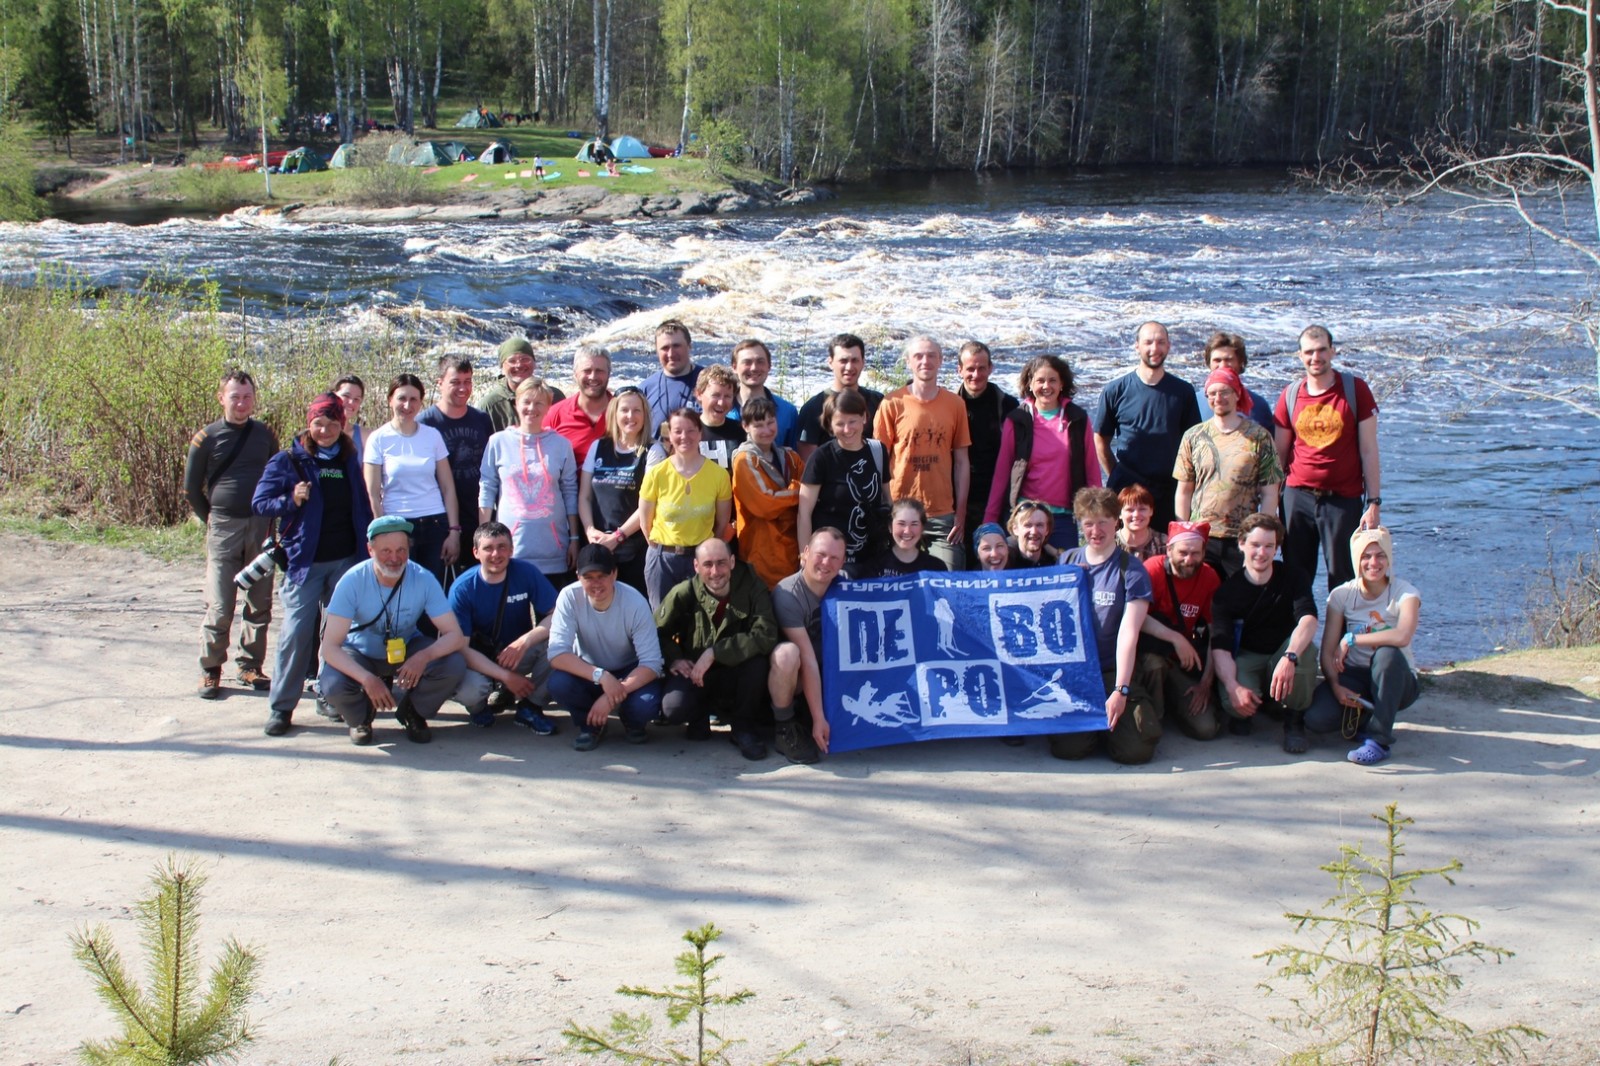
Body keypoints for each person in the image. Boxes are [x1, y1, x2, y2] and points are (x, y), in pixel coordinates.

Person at [251, 392, 372, 736]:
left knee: (341, 635)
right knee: (296, 634)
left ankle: (331, 696)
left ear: (342, 425)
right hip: (304, 563)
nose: (325, 430)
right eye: (319, 423)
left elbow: (361, 505)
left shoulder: (349, 458)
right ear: (309, 423)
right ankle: (281, 707)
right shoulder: (289, 460)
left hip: (345, 560)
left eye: (333, 423)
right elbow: (260, 503)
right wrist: (291, 498)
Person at [318, 516, 468, 745]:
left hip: (407, 646)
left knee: (453, 664)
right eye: (385, 551)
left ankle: (413, 712)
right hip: (360, 652)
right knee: (332, 684)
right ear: (370, 549)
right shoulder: (351, 581)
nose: (395, 558)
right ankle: (361, 717)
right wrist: (367, 679)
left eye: (401, 550)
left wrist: (424, 656)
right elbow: (329, 648)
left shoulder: (423, 578)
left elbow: (454, 635)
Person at [185, 369, 280, 700]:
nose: (242, 403)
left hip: (260, 525)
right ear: (221, 397)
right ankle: (210, 669)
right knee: (221, 604)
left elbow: (275, 476)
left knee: (259, 603)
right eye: (235, 396)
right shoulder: (207, 437)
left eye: (247, 396)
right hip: (224, 526)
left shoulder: (265, 435)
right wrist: (211, 518)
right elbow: (191, 488)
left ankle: (250, 666)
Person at [1048, 488, 1159, 764]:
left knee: (1136, 752)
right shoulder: (1067, 561)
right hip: (1076, 671)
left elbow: (1129, 634)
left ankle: (1119, 715)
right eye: (1088, 523)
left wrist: (1120, 690)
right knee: (1068, 750)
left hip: (1111, 670)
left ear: (1115, 523)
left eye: (1103, 522)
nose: (1095, 530)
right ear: (1079, 524)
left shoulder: (1131, 570)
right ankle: (1096, 726)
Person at [1274, 325, 1382, 593]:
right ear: (1300, 355)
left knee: (1344, 577)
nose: (1316, 357)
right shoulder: (1290, 395)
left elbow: (1369, 449)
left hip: (1343, 499)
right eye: (1309, 352)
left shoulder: (1355, 390)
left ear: (1333, 351)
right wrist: (1271, 504)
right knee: (1296, 576)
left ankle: (1344, 635)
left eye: (1322, 350)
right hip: (1297, 497)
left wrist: (1374, 502)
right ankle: (1299, 634)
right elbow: (1279, 454)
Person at [654, 538, 779, 759]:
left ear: (732, 562)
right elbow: (655, 633)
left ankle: (743, 727)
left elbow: (766, 634)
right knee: (673, 708)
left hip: (735, 672)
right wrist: (674, 658)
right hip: (696, 674)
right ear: (696, 566)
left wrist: (716, 652)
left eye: (721, 563)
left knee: (757, 663)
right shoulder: (684, 592)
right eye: (707, 564)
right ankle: (699, 715)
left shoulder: (753, 586)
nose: (715, 571)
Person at [1306, 527, 1421, 765]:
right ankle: (1368, 716)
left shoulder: (1406, 593)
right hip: (1355, 677)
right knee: (1316, 719)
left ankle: (1379, 740)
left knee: (1387, 653)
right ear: (1356, 561)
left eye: (1380, 555)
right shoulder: (1342, 595)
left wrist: (1352, 639)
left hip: (1397, 678)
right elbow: (1328, 652)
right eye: (1366, 557)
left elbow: (1402, 636)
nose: (1373, 563)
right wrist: (1336, 686)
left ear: (1389, 559)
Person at [1209, 513, 1319, 753]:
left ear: (1277, 548)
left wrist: (1290, 657)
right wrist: (1232, 686)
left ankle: (1294, 721)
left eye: (1269, 546)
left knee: (1305, 650)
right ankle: (1259, 705)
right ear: (1241, 545)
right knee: (1233, 703)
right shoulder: (1227, 592)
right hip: (1249, 655)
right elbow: (1220, 646)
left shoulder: (1293, 576)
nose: (1262, 553)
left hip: (1283, 651)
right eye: (1255, 545)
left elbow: (1309, 620)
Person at [546, 544, 664, 751]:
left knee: (646, 703)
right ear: (578, 577)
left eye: (602, 575)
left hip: (629, 669)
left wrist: (611, 696)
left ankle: (631, 720)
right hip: (589, 670)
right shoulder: (568, 597)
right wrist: (601, 676)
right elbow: (557, 654)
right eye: (588, 577)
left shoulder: (635, 602)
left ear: (615, 574)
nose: (596, 583)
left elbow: (652, 663)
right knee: (559, 683)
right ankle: (590, 725)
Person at [1173, 364, 1283, 580]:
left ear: (1237, 394)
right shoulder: (1193, 436)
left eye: (1224, 392)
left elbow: (1271, 492)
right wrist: (1183, 533)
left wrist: (1260, 535)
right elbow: (1184, 491)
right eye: (1212, 393)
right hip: (1202, 536)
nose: (1218, 398)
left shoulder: (1259, 437)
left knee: (1241, 601)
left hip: (1242, 538)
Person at [448, 521, 559, 733]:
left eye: (502, 547)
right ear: (475, 552)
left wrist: (524, 641)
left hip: (516, 654)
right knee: (468, 688)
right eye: (488, 548)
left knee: (558, 643)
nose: (496, 554)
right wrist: (506, 677)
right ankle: (478, 708)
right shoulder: (462, 589)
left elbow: (558, 615)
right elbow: (461, 648)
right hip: (479, 660)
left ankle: (531, 707)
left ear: (511, 550)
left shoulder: (526, 572)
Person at [873, 335, 972, 570]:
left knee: (949, 581)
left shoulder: (955, 404)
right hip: (900, 511)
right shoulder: (892, 403)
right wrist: (885, 507)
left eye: (931, 356)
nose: (925, 361)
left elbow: (961, 462)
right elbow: (877, 460)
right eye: (918, 356)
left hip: (941, 514)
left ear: (940, 360)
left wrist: (961, 512)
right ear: (909, 361)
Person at [1093, 321, 1202, 528]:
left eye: (1161, 342)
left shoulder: (1183, 391)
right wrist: (1116, 473)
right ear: (1137, 346)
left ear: (1168, 346)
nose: (1155, 348)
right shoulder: (1115, 390)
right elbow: (1100, 439)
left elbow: (1193, 443)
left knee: (1165, 555)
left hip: (1169, 491)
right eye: (1148, 342)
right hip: (1126, 491)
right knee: (1123, 553)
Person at [985, 354, 1099, 549]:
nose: (1046, 386)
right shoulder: (1017, 420)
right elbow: (1002, 472)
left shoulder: (1078, 419)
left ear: (1062, 383)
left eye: (1053, 380)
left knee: (1064, 574)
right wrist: (989, 522)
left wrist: (1098, 517)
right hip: (1025, 516)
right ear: (1029, 384)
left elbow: (1092, 469)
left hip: (1063, 517)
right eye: (1040, 380)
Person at [478, 378, 581, 587]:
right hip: (511, 548)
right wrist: (483, 536)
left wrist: (574, 538)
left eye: (539, 403)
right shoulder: (498, 442)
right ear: (516, 404)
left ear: (548, 407)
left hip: (553, 548)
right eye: (526, 402)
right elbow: (487, 488)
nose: (531, 408)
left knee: (552, 615)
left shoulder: (561, 445)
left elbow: (570, 492)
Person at [363, 373, 460, 586]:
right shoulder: (378, 439)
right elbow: (372, 492)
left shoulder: (432, 435)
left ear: (421, 402)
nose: (407, 405)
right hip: (397, 525)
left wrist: (454, 531)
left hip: (434, 524)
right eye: (401, 398)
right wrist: (383, 533)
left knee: (431, 591)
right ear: (390, 400)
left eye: (413, 399)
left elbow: (447, 487)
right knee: (399, 589)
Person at [638, 409, 733, 610]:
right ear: (669, 435)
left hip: (701, 559)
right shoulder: (656, 474)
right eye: (678, 431)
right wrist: (662, 549)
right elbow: (645, 523)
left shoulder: (718, 475)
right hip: (663, 561)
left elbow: (722, 523)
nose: (684, 437)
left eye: (691, 431)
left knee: (700, 623)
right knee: (662, 622)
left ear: (700, 433)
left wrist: (705, 553)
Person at [1136, 522, 1223, 742]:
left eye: (1196, 553)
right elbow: (1135, 618)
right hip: (1152, 655)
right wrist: (1174, 638)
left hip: (1181, 662)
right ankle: (1155, 717)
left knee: (1206, 730)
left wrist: (1206, 683)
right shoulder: (1153, 569)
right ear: (1169, 550)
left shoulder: (1209, 577)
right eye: (1183, 552)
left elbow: (1217, 633)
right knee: (1153, 664)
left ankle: (1174, 703)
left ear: (1204, 552)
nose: (1188, 559)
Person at [767, 528, 848, 764]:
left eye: (834, 558)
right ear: (805, 553)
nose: (826, 563)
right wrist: (818, 718)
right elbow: (808, 660)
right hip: (795, 678)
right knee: (788, 654)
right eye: (820, 554)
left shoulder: (847, 586)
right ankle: (784, 726)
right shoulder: (787, 594)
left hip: (829, 674)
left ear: (843, 562)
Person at [798, 390, 890, 570]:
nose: (847, 430)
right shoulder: (821, 457)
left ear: (864, 417)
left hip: (871, 557)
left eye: (852, 421)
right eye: (840, 424)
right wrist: (805, 556)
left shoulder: (878, 451)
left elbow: (887, 500)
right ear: (830, 425)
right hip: (830, 561)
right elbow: (804, 513)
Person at [419, 355, 493, 576]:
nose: (463, 388)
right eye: (455, 382)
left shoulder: (481, 419)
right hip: (440, 520)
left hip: (477, 515)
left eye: (467, 381)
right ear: (439, 383)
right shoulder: (426, 423)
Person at [580, 387, 652, 596]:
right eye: (625, 410)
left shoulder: (652, 451)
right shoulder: (598, 447)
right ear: (614, 413)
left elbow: (649, 504)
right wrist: (590, 531)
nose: (631, 416)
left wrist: (619, 537)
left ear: (645, 414)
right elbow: (584, 496)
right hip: (598, 547)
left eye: (637, 410)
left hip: (634, 550)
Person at [729, 396, 801, 589]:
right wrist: (797, 492)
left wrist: (798, 491)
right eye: (759, 425)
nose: (767, 430)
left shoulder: (790, 457)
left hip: (792, 552)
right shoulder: (744, 461)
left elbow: (811, 488)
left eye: (771, 422)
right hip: (761, 554)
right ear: (745, 427)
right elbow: (765, 504)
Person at [956, 340, 1019, 546]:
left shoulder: (1008, 404)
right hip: (958, 498)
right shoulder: (949, 406)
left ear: (990, 368)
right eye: (970, 369)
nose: (976, 374)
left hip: (998, 497)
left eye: (981, 368)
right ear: (959, 370)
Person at [796, 333, 885, 459]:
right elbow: (808, 464)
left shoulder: (878, 402)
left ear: (863, 362)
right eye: (843, 361)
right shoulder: (813, 408)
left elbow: (887, 450)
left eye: (855, 360)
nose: (849, 367)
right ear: (830, 362)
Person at [477, 337, 565, 433]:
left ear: (534, 364)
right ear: (502, 367)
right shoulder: (490, 406)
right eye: (512, 361)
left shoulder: (555, 397)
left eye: (525, 359)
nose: (519, 365)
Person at [544, 344, 612, 463]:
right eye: (587, 371)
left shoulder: (624, 413)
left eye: (599, 371)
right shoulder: (555, 415)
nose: (593, 376)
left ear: (609, 374)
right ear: (575, 374)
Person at [727, 338, 799, 447]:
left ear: (769, 366)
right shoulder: (722, 410)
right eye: (747, 362)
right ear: (734, 367)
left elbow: (793, 459)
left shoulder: (788, 412)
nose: (754, 368)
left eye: (760, 361)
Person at [1197, 332, 1273, 432]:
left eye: (1229, 360)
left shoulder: (1259, 405)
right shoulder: (1194, 401)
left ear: (1240, 362)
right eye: (1217, 360)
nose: (1223, 366)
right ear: (1208, 363)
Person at [639, 319, 703, 431]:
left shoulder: (709, 382)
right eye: (664, 348)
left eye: (676, 346)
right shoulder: (645, 389)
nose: (671, 354)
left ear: (689, 346)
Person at [866, 498, 948, 578]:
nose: (907, 531)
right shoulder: (874, 567)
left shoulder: (936, 567)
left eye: (914, 524)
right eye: (901, 524)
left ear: (922, 528)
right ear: (890, 527)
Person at [688, 363, 746, 471]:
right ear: (699, 394)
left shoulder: (740, 432)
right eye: (716, 395)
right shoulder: (687, 432)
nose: (721, 402)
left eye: (728, 396)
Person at [1115, 484, 1167, 562]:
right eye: (1130, 510)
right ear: (1119, 513)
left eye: (1142, 509)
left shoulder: (1164, 543)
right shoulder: (1108, 543)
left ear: (1151, 511)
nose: (1136, 515)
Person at [1005, 499, 1059, 569]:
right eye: (1028, 525)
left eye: (1039, 525)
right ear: (1015, 529)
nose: (1034, 531)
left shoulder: (1055, 563)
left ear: (1047, 530)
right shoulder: (1004, 560)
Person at [333, 374, 367, 458]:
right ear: (333, 395)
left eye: (356, 399)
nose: (351, 402)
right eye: (346, 396)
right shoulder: (318, 433)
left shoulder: (366, 437)